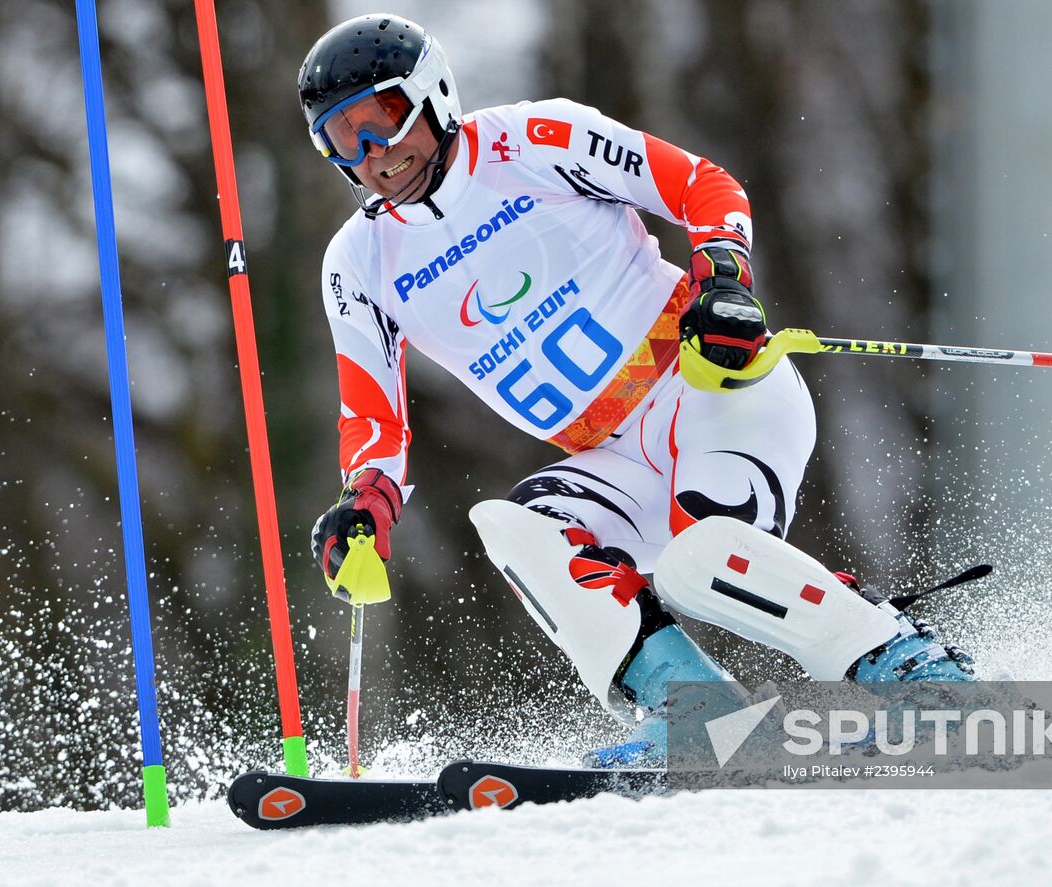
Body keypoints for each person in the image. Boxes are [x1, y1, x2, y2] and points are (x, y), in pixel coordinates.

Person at [300, 14, 973, 768]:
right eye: (340, 136)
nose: (372, 154)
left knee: (702, 558)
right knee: (517, 528)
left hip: (711, 390)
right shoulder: (358, 264)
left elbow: (700, 185)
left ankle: (912, 669)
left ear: (432, 95)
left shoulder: (533, 140)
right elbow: (372, 416)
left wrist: (725, 277)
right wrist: (367, 499)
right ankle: (699, 714)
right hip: (609, 456)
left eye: (383, 119)